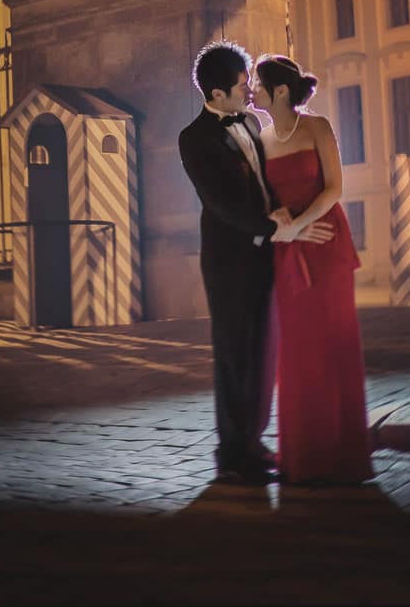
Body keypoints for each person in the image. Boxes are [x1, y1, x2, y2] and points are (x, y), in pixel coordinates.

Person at [178, 42, 336, 485]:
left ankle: (253, 438)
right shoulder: (194, 139)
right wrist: (275, 228)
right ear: (215, 93)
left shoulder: (250, 121)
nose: (249, 90)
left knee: (263, 351)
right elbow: (221, 204)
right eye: (241, 84)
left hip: (269, 250)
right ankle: (231, 452)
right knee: (234, 355)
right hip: (230, 261)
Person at [253, 54, 374, 485]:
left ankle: (344, 456)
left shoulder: (317, 127)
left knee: (335, 340)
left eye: (258, 84)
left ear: (280, 91)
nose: (252, 91)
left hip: (327, 244)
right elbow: (263, 201)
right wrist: (285, 229)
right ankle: (303, 455)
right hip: (289, 251)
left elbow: (335, 188)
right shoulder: (261, 138)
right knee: (298, 349)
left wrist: (300, 227)